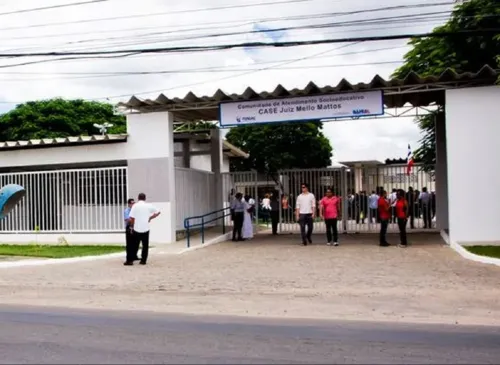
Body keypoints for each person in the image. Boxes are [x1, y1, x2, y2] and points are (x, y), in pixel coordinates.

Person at [125, 193, 161, 266]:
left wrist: (132, 226)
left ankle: (130, 260)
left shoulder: (135, 206)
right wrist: (150, 218)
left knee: (134, 245)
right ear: (145, 198)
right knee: (145, 245)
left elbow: (132, 218)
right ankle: (143, 260)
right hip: (145, 228)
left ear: (138, 198)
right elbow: (158, 212)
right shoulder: (148, 206)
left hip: (137, 229)